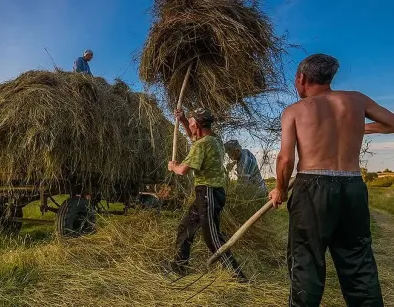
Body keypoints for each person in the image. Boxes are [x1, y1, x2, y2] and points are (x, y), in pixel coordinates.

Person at [269, 53, 394, 306]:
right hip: (352, 187)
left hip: (312, 188)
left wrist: (279, 189)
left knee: (306, 261)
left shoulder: (294, 110)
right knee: (359, 262)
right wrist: (357, 126)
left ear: (302, 78)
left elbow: (285, 159)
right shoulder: (356, 100)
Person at [166, 108, 247, 282]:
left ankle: (237, 275)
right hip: (208, 192)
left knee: (212, 237)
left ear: (198, 124)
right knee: (186, 227)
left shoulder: (202, 145)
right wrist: (182, 121)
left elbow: (183, 170)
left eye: (191, 121)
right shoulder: (213, 139)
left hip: (208, 193)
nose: (190, 124)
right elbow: (195, 136)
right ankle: (179, 266)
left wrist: (173, 166)